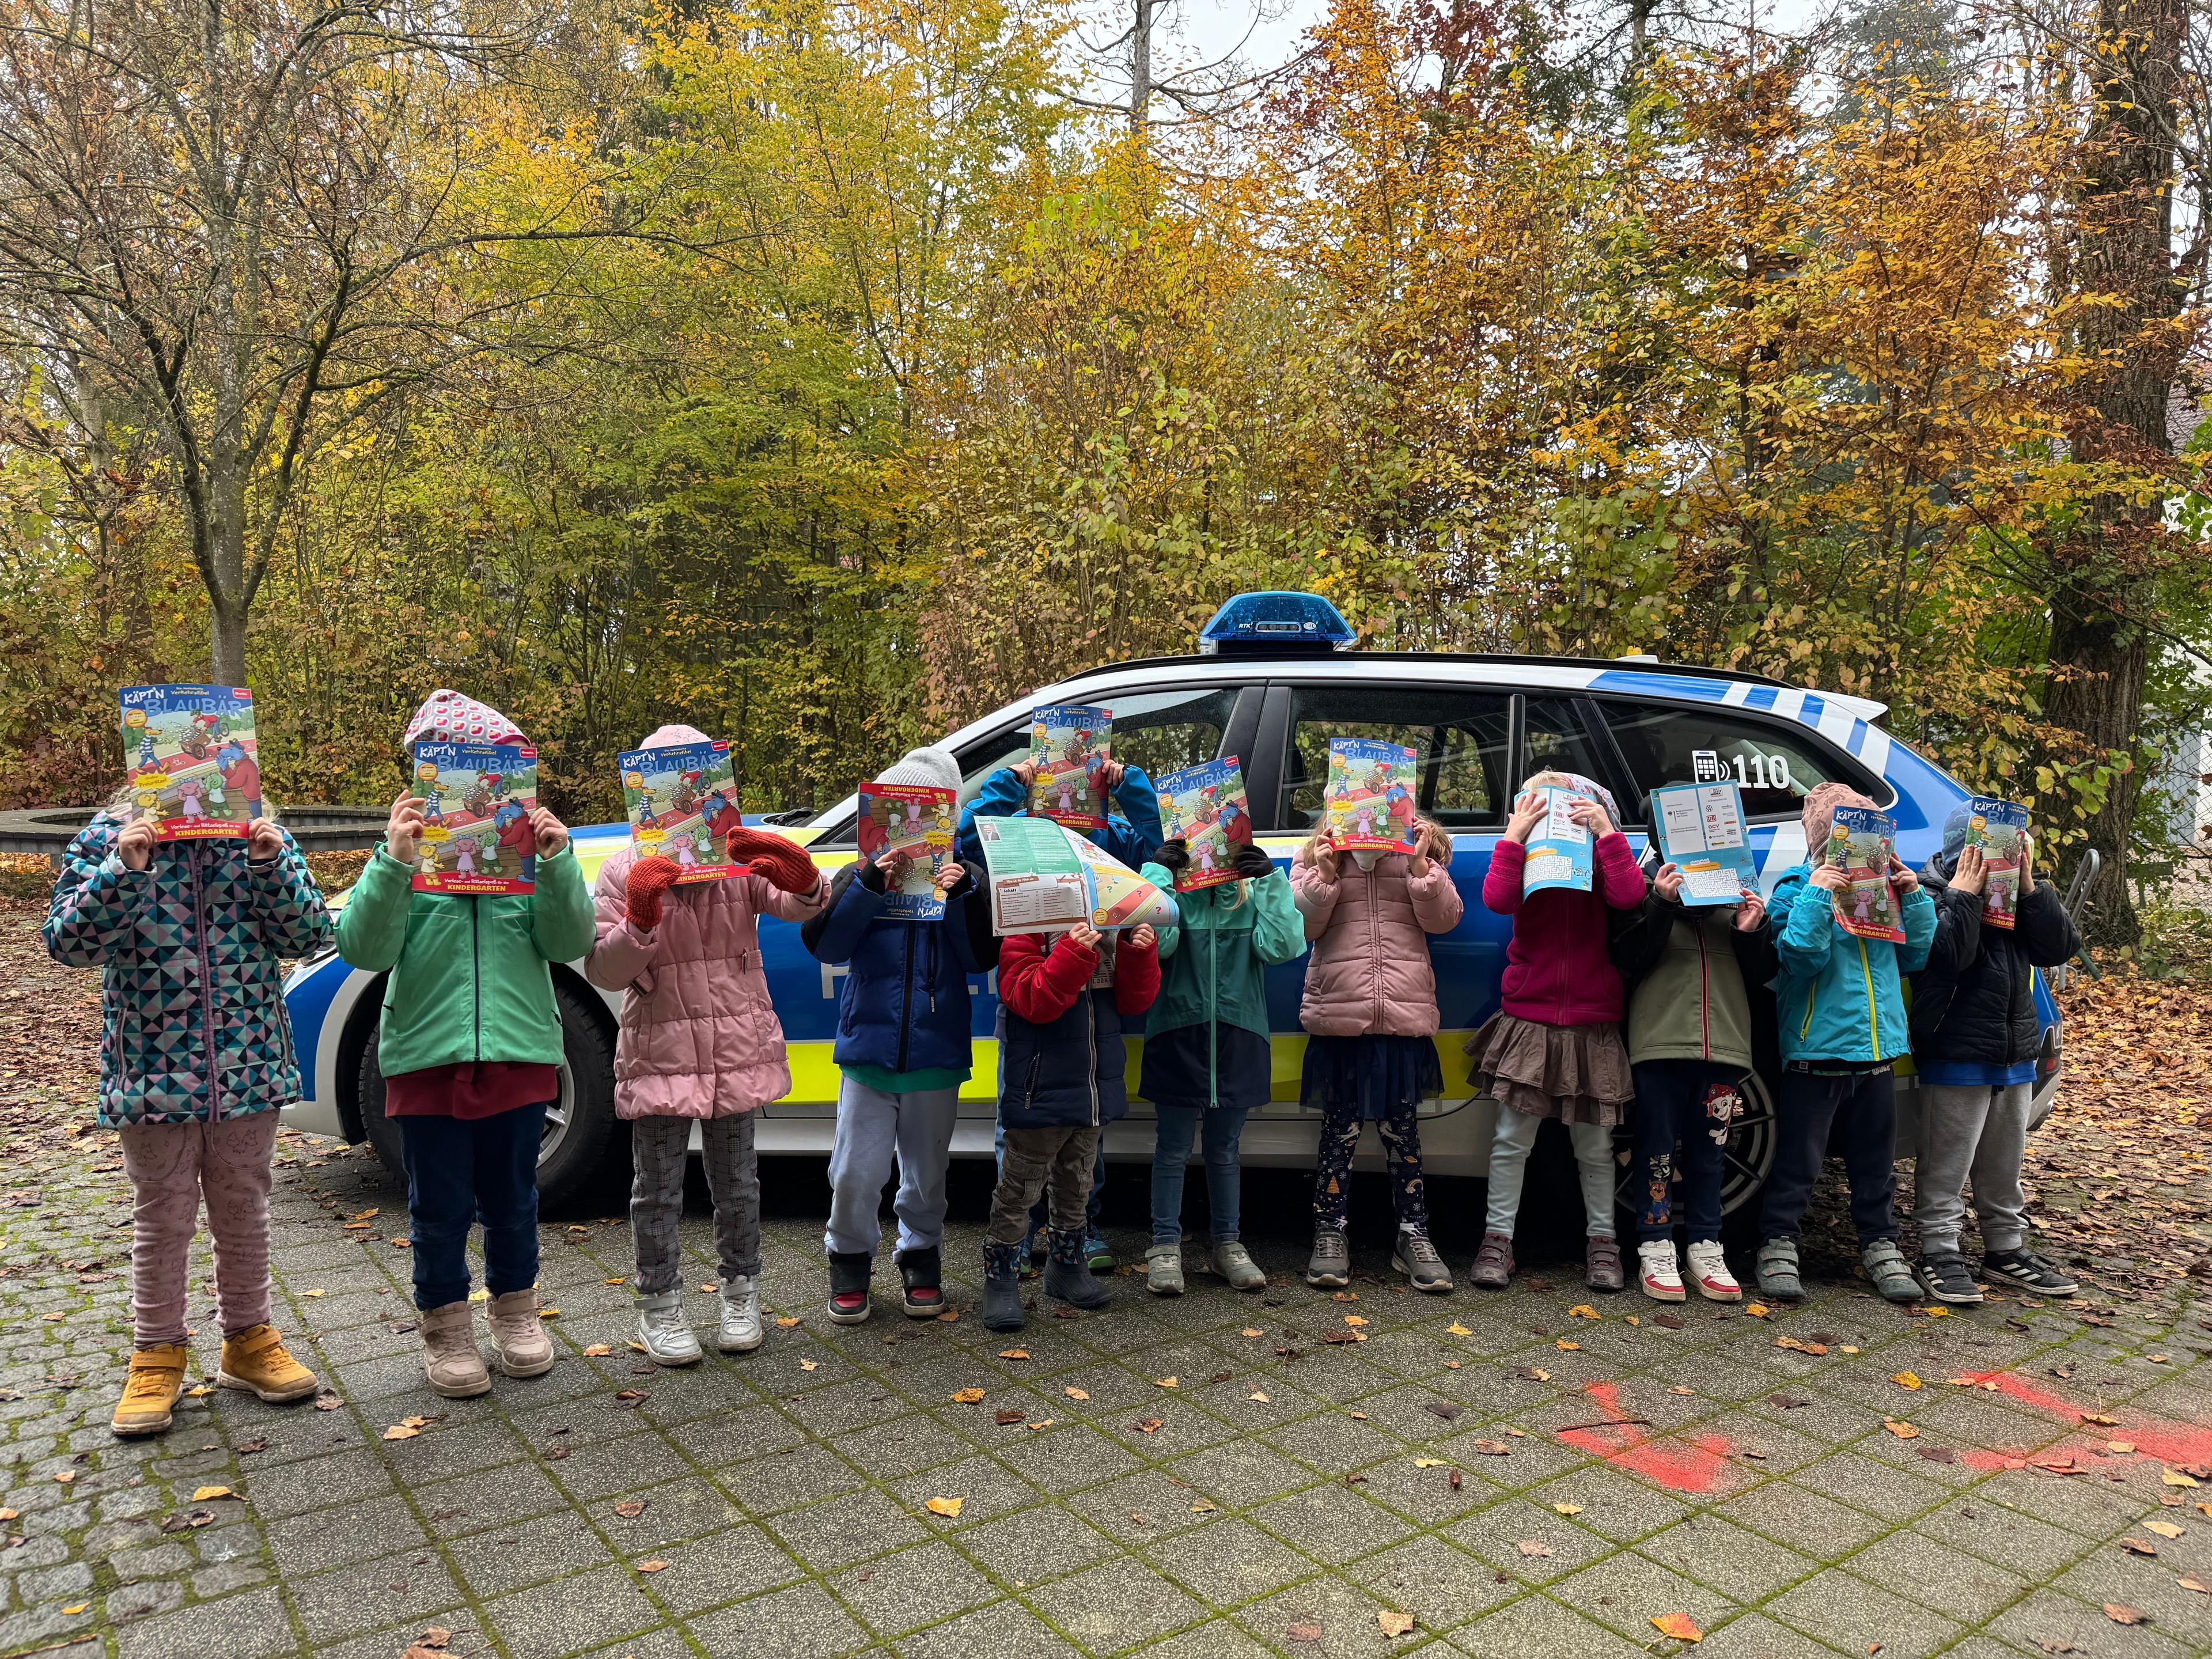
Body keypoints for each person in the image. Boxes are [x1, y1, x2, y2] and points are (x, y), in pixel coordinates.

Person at [48, 790, 332, 1437]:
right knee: (162, 1214)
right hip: (151, 1068)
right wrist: (123, 870)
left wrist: (268, 866)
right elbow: (68, 943)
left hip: (248, 1061)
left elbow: (313, 935)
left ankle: (249, 1340)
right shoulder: (110, 837)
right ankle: (157, 1353)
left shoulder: (256, 833)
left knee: (244, 1206)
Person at [335, 690, 594, 1397]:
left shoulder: (528, 860)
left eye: (495, 774)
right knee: (439, 1206)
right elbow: (362, 948)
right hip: (428, 1058)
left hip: (517, 1054)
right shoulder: (407, 856)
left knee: (514, 1199)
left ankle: (515, 1312)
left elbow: (570, 941)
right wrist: (393, 862)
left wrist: (557, 862)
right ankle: (446, 1327)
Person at [586, 723, 828, 1363]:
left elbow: (799, 904)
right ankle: (659, 1305)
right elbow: (605, 971)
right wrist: (641, 916)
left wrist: (803, 876)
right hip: (662, 1052)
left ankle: (741, 1294)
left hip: (734, 1046)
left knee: (738, 1181)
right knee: (657, 1187)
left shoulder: (735, 863)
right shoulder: (623, 871)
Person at [802, 746, 998, 1324]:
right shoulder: (859, 874)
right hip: (868, 1053)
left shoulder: (967, 879)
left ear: (947, 818)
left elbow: (979, 958)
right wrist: (868, 886)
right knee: (855, 1172)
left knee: (927, 1176)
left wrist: (961, 896)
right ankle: (849, 1258)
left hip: (936, 1054)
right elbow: (827, 945)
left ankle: (920, 1254)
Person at [960, 746, 1164, 1271]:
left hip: (1094, 1006)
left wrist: (1131, 788)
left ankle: (1078, 1229)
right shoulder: (1018, 830)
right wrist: (1008, 784)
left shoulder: (1111, 833)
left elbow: (1161, 853)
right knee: (1019, 1124)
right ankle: (1021, 1233)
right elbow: (966, 843)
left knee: (1085, 1124)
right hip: (1032, 1005)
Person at [1755, 782, 1937, 1303]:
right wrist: (1818, 893)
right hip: (1816, 1055)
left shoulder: (1884, 892)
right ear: (1825, 841)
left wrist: (1913, 895)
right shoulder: (1795, 888)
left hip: (1877, 1056)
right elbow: (1800, 958)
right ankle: (1778, 1244)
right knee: (1798, 1162)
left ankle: (1882, 1246)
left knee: (1876, 1167)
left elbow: (1916, 957)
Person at [1465, 774, 1646, 1293]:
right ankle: (1498, 1240)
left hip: (1591, 1020)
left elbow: (1630, 896)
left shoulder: (1600, 856)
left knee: (1594, 1146)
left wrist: (1607, 833)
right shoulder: (1526, 854)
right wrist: (1514, 838)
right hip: (1530, 1017)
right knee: (1511, 1141)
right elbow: (1497, 899)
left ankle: (1603, 1242)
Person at [1908, 808, 2084, 1302]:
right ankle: (1939, 1251)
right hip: (1957, 1049)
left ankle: (2005, 1248)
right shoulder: (1929, 893)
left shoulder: (2016, 895)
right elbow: (1949, 958)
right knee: (1947, 1162)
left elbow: (2060, 947)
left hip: (2014, 1049)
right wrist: (1964, 895)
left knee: (2005, 1162)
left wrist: (2030, 889)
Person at [1290, 816, 1464, 1292]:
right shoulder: (1318, 854)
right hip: (1341, 1018)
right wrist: (1325, 877)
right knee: (1338, 1133)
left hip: (1401, 1019)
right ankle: (1330, 1231)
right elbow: (1299, 927)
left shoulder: (1413, 852)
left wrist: (1420, 867)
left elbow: (1445, 919)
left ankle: (1413, 1234)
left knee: (1402, 1134)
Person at [1138, 837, 1306, 1294]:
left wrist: (1269, 880)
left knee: (1225, 1149)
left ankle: (1227, 1245)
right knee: (1172, 1148)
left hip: (1239, 1036)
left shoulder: (1247, 897)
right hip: (1177, 1033)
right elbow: (1159, 945)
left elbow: (1285, 945)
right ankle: (1165, 1246)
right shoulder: (1176, 894)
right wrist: (1160, 875)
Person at [1611, 849, 1777, 1301]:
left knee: (1710, 1155)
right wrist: (1661, 904)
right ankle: (1655, 1245)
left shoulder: (1733, 894)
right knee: (1655, 1151)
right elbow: (1628, 956)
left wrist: (1751, 929)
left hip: (1724, 1048)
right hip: (1660, 1046)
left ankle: (1706, 1246)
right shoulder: (1643, 889)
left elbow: (1762, 974)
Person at [980, 921, 1160, 1331]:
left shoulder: (1111, 924)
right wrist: (1073, 952)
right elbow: (1028, 998)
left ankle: (1066, 1266)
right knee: (1020, 1186)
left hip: (1094, 1081)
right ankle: (1001, 1278)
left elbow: (1135, 1002)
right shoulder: (1027, 925)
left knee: (1078, 1178)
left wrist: (1138, 952)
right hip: (1041, 1083)